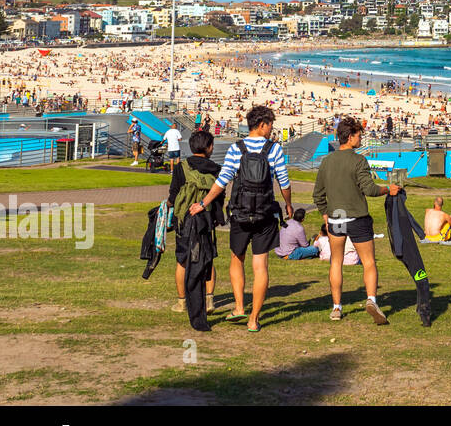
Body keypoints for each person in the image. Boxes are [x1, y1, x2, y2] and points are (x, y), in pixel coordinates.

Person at [191, 105, 293, 333]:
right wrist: (288, 204)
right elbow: (284, 183)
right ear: (262, 125)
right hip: (265, 214)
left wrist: (203, 203)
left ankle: (239, 307)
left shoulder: (236, 148)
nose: (271, 130)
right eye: (270, 125)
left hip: (240, 212)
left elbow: (223, 180)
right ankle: (254, 319)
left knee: (237, 259)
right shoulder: (274, 149)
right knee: (260, 265)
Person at [312, 116, 399, 323]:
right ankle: (371, 299)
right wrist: (388, 189)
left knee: (336, 261)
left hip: (336, 218)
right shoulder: (359, 160)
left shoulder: (326, 161)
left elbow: (318, 195)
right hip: (357, 217)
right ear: (350, 137)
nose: (361, 139)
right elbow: (369, 189)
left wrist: (326, 214)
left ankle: (336, 307)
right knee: (369, 262)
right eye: (359, 135)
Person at [169, 129, 223, 315]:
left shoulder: (181, 167)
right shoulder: (216, 169)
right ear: (208, 147)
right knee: (208, 259)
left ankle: (182, 301)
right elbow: (219, 197)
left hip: (185, 219)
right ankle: (209, 300)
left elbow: (173, 194)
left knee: (182, 260)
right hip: (206, 218)